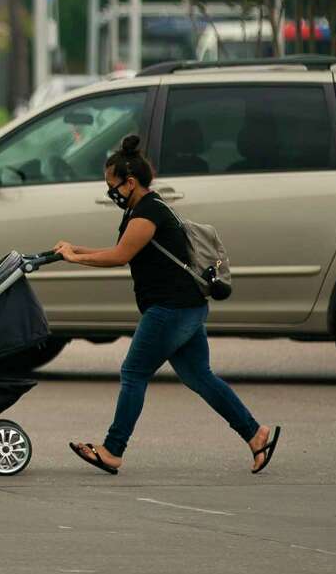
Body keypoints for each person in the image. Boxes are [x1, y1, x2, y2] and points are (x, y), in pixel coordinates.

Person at [53, 135, 280, 475]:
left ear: (130, 182)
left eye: (112, 186)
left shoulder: (148, 213)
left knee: (134, 372)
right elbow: (121, 250)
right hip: (185, 307)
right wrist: (74, 249)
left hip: (171, 309)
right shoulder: (143, 210)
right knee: (199, 376)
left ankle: (113, 450)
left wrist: (76, 258)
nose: (110, 193)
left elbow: (120, 256)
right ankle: (255, 434)